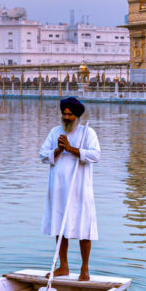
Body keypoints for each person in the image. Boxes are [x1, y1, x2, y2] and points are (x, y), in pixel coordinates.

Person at [39, 97, 100, 280]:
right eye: (64, 114)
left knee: (84, 227)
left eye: (69, 114)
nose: (66, 117)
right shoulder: (55, 132)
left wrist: (71, 149)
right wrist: (58, 149)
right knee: (59, 226)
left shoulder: (87, 133)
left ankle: (85, 269)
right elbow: (42, 155)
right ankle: (63, 266)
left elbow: (96, 155)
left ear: (76, 116)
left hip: (79, 188)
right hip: (58, 189)